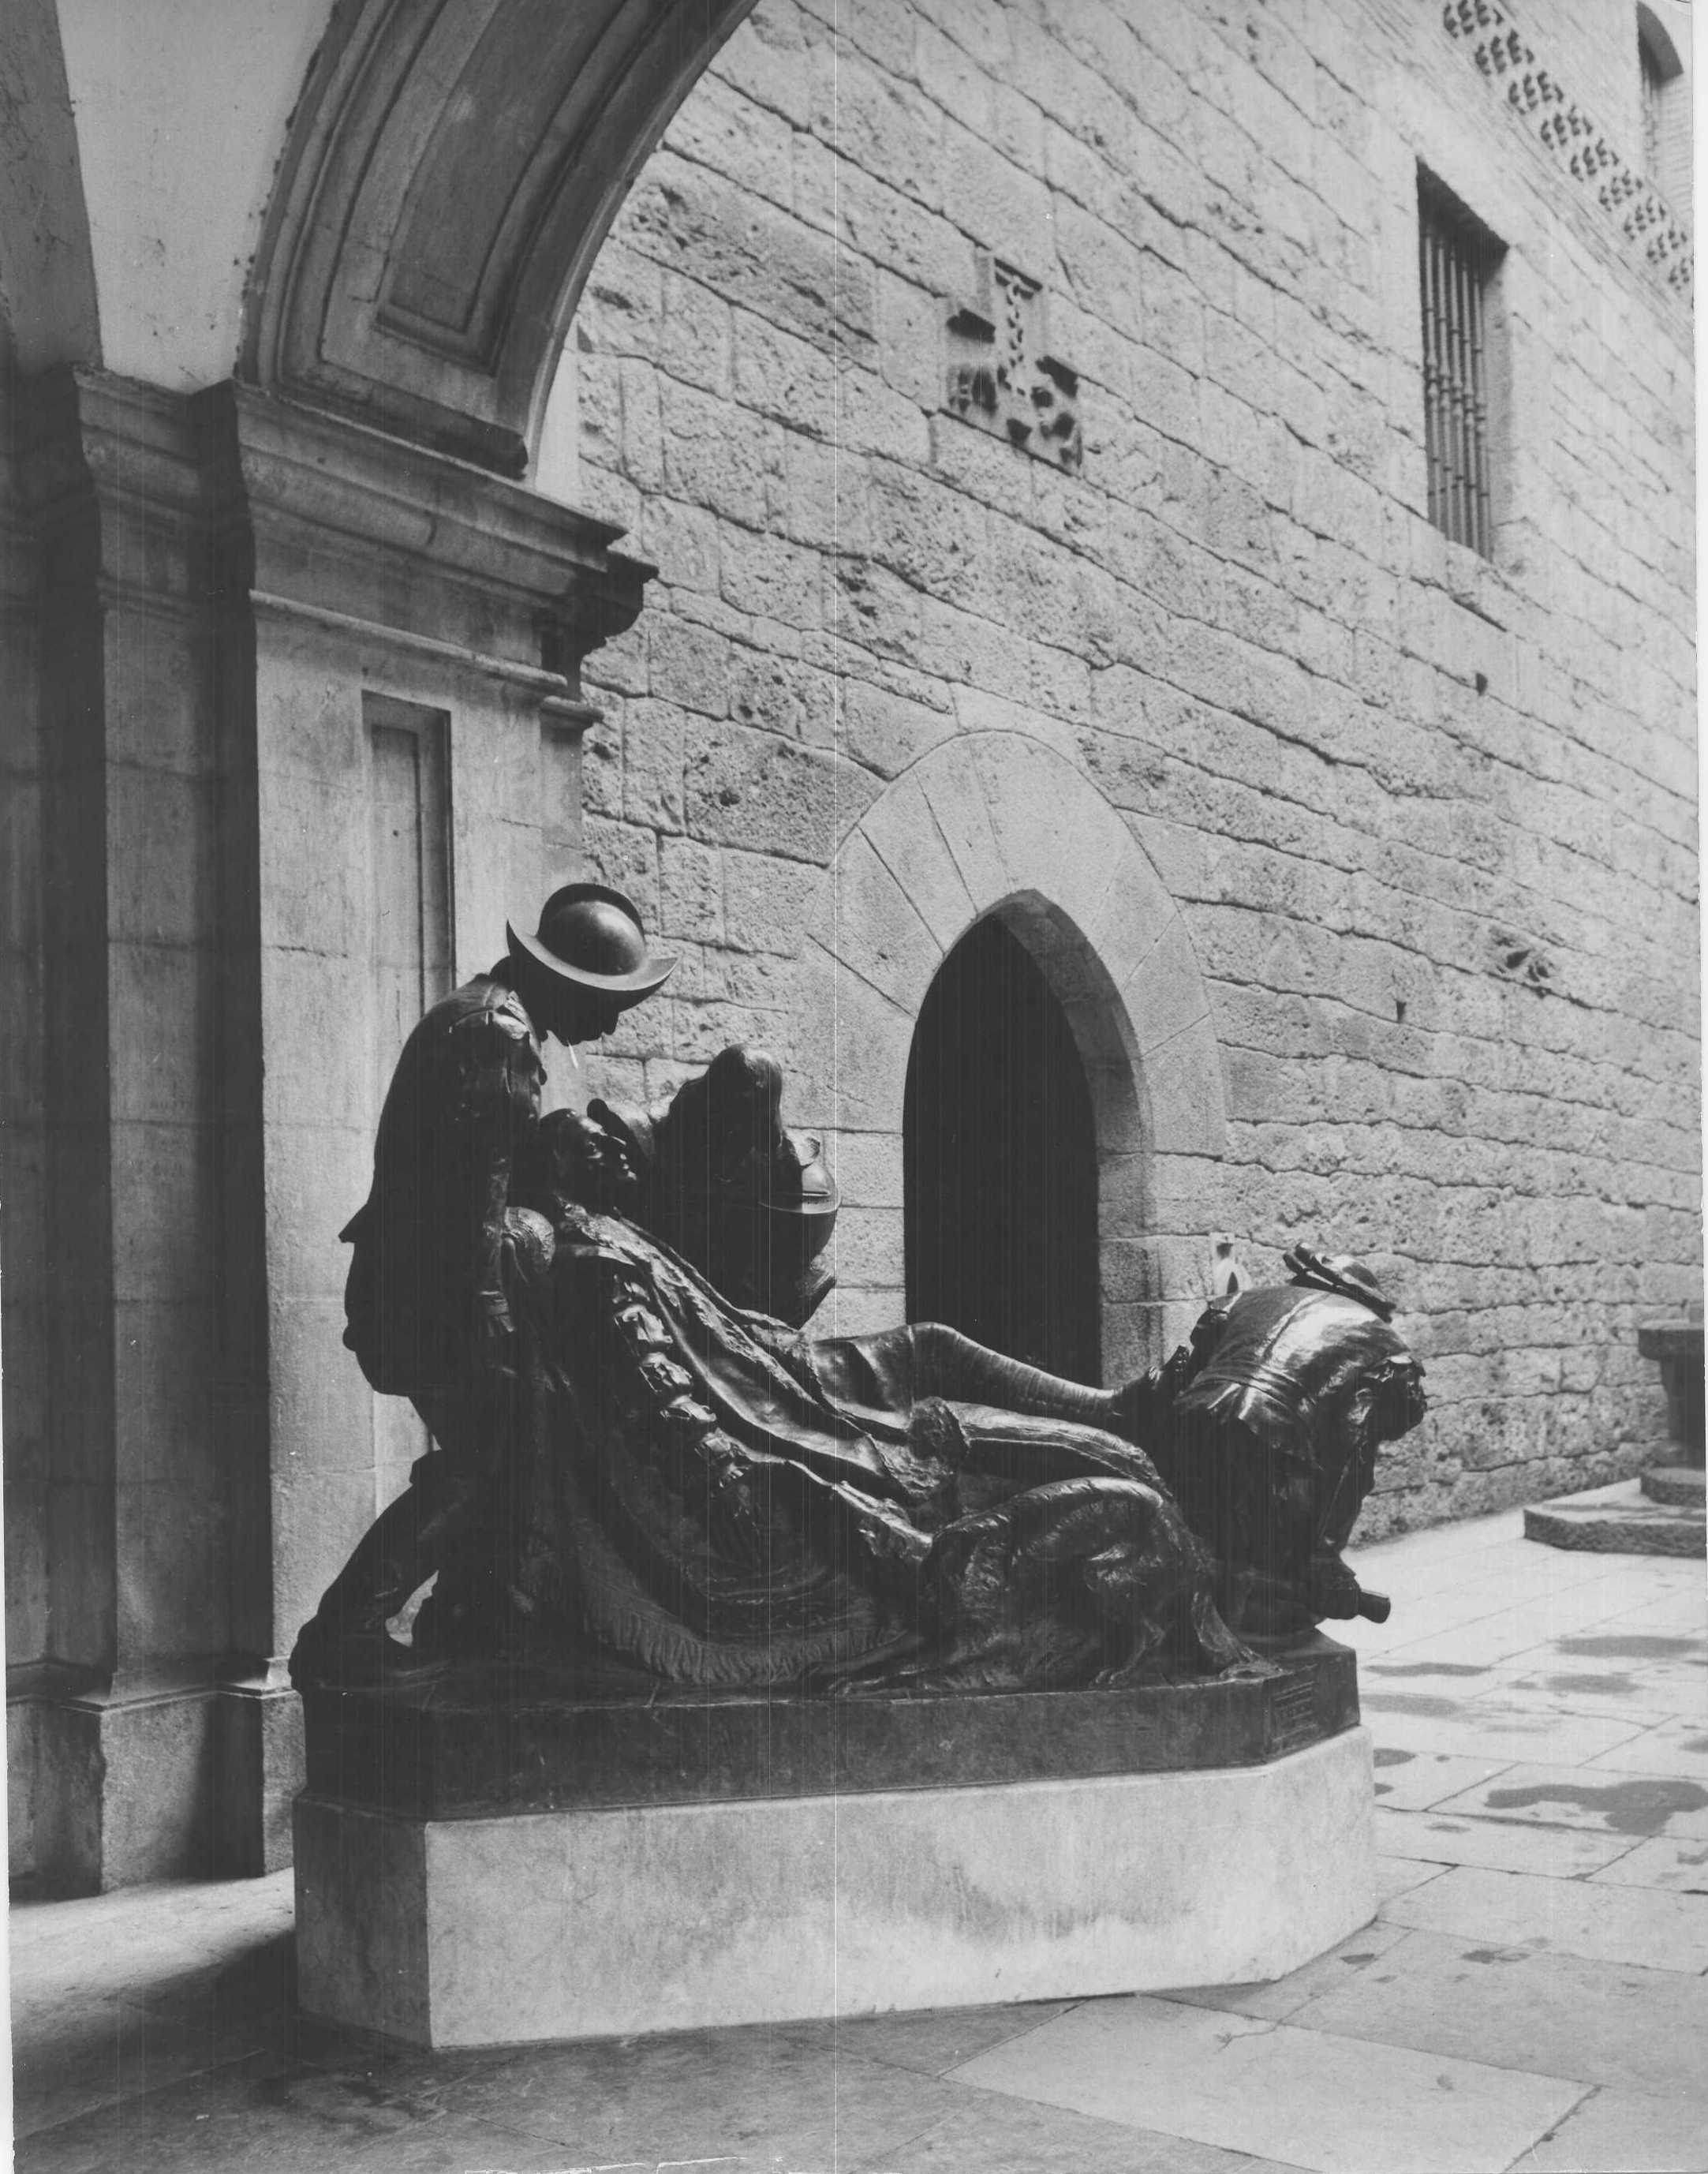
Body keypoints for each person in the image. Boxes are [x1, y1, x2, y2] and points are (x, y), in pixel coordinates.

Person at [289, 882, 675, 1683]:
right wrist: (489, 1323)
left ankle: (460, 1614)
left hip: (424, 1289)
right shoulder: (498, 1031)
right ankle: (344, 1628)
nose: (608, 1026)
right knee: (487, 1462)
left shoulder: (488, 1014)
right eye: (605, 1005)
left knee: (495, 1458)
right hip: (437, 1299)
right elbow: (476, 1206)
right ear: (567, 981)